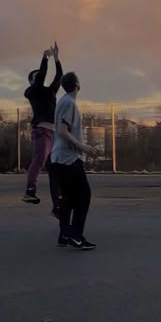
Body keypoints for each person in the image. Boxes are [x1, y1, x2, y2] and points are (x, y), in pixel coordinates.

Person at [50, 71, 97, 250]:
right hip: (68, 158)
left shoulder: (62, 101)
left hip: (59, 158)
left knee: (69, 197)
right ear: (77, 85)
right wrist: (83, 147)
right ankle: (76, 235)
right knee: (84, 195)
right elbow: (62, 130)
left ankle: (64, 234)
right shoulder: (69, 103)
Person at [23, 42, 63, 211]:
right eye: (38, 76)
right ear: (32, 80)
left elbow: (59, 77)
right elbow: (41, 77)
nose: (41, 77)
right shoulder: (32, 91)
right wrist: (44, 58)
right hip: (41, 131)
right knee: (39, 160)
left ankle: (58, 203)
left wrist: (57, 59)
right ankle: (29, 191)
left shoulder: (50, 92)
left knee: (54, 167)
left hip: (53, 132)